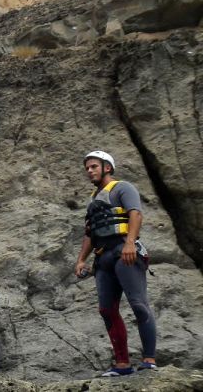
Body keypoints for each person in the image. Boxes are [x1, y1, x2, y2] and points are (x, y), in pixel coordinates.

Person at [74, 151, 157, 376]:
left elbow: (136, 214)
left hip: (125, 252)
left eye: (93, 167)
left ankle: (149, 359)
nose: (89, 171)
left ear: (107, 167)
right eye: (87, 168)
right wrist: (82, 259)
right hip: (103, 258)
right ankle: (122, 364)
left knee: (138, 305)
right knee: (106, 310)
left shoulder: (123, 188)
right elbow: (90, 233)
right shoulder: (93, 199)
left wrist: (130, 242)